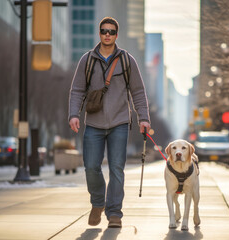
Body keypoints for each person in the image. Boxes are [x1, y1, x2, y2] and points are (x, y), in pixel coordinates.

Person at [68, 17, 151, 228]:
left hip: (120, 123)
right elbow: (77, 90)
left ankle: (115, 213)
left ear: (116, 35)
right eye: (104, 31)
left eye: (111, 32)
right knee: (91, 167)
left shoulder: (127, 60)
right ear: (99, 33)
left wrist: (144, 118)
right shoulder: (87, 60)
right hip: (94, 123)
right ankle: (98, 203)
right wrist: (73, 114)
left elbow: (138, 92)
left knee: (116, 168)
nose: (107, 34)